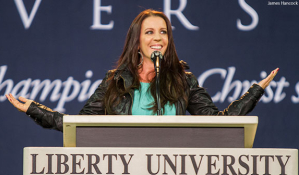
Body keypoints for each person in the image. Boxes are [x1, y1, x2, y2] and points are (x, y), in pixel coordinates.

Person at [6, 9, 278, 132]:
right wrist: (37, 110)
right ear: (137, 41)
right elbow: (82, 125)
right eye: (149, 32)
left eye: (163, 32)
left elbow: (217, 123)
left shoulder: (184, 81)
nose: (158, 37)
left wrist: (254, 93)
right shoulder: (115, 82)